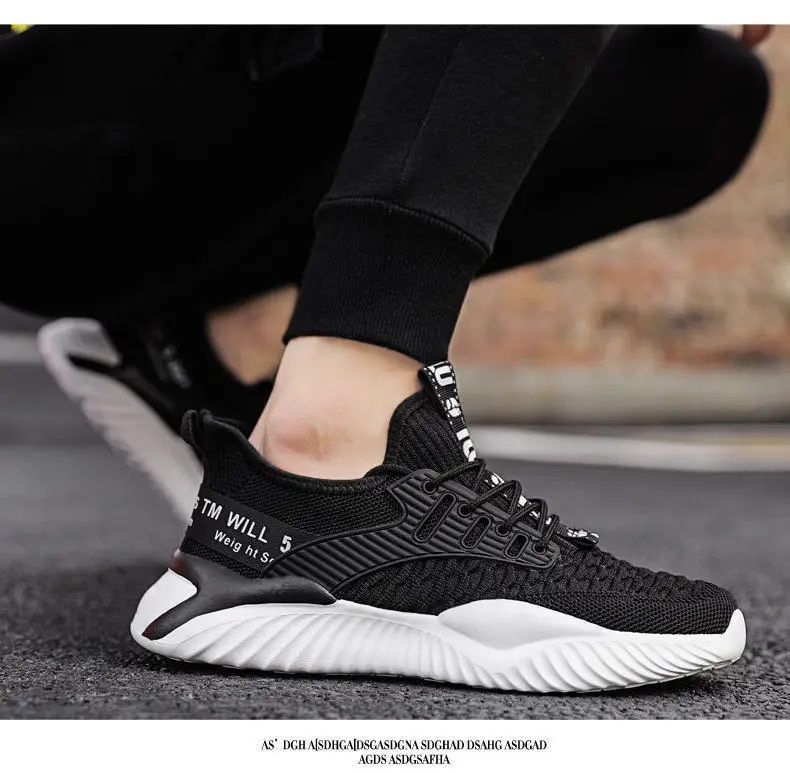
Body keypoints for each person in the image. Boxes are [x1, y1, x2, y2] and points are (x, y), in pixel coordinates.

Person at [3, 24, 771, 692]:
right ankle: (330, 444)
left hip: (167, 141)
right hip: (41, 99)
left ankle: (213, 347)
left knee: (698, 88)